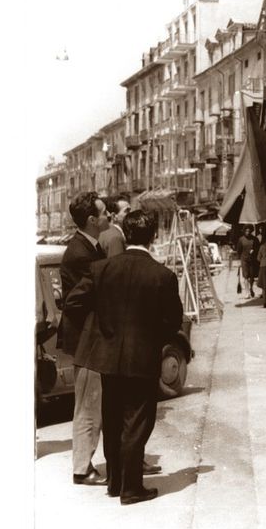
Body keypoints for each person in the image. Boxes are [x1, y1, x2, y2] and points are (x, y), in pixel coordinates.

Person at [69, 210, 183, 505]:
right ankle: (131, 488)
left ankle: (115, 483)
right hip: (142, 359)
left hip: (107, 359)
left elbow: (73, 302)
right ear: (153, 236)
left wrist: (101, 330)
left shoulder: (101, 268)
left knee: (113, 418)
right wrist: (153, 338)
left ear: (125, 234)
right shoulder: (163, 276)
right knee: (137, 422)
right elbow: (173, 322)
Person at [60, 191, 110, 487]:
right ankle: (81, 468)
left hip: (91, 340)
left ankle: (91, 462)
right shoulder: (81, 253)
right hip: (87, 341)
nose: (108, 216)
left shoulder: (89, 246)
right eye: (104, 213)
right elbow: (81, 299)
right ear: (92, 220)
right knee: (88, 407)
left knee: (94, 404)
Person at [236, 226, 258, 298]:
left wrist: (254, 250)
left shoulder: (255, 239)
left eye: (249, 231)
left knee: (251, 276)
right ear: (244, 231)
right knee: (245, 276)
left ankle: (251, 288)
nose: (247, 232)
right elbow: (238, 251)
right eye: (246, 231)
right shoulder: (241, 239)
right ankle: (247, 292)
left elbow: (258, 249)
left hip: (252, 260)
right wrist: (239, 261)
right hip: (244, 260)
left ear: (251, 231)